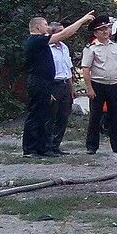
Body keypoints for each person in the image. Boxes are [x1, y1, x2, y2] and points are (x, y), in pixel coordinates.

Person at [22, 12, 93, 158]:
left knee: (44, 116)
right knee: (35, 115)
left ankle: (42, 148)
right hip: (38, 82)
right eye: (45, 25)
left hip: (46, 83)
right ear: (37, 26)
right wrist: (82, 20)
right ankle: (29, 149)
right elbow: (64, 34)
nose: (47, 27)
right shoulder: (35, 40)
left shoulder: (40, 41)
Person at [81, 15, 117, 155]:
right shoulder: (91, 48)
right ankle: (92, 146)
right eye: (102, 29)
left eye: (107, 28)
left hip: (115, 84)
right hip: (98, 85)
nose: (105, 31)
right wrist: (89, 88)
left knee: (115, 116)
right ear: (95, 33)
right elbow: (86, 69)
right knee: (95, 116)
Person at [46, 22, 76, 156]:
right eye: (60, 31)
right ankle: (47, 146)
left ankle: (56, 145)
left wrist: (72, 87)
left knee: (63, 117)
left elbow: (68, 68)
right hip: (53, 84)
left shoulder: (64, 47)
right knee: (50, 116)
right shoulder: (47, 48)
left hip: (64, 84)